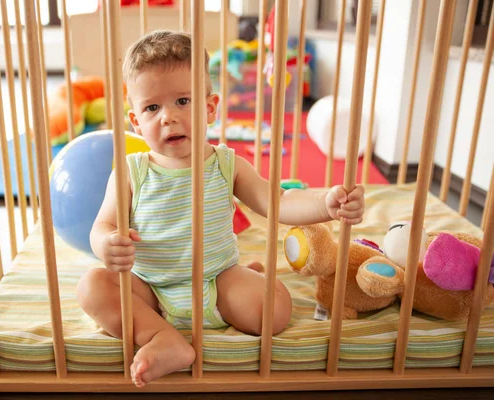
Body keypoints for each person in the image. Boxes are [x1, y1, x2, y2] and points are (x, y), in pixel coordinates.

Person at [77, 30, 365, 388]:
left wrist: (327, 203)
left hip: (217, 282)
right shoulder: (132, 172)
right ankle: (159, 337)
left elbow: (277, 202)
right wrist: (107, 244)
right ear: (136, 121)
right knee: (92, 286)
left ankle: (251, 277)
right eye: (152, 107)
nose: (168, 117)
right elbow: (102, 225)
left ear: (209, 108)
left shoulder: (227, 164)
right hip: (149, 291)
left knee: (275, 311)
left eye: (183, 101)